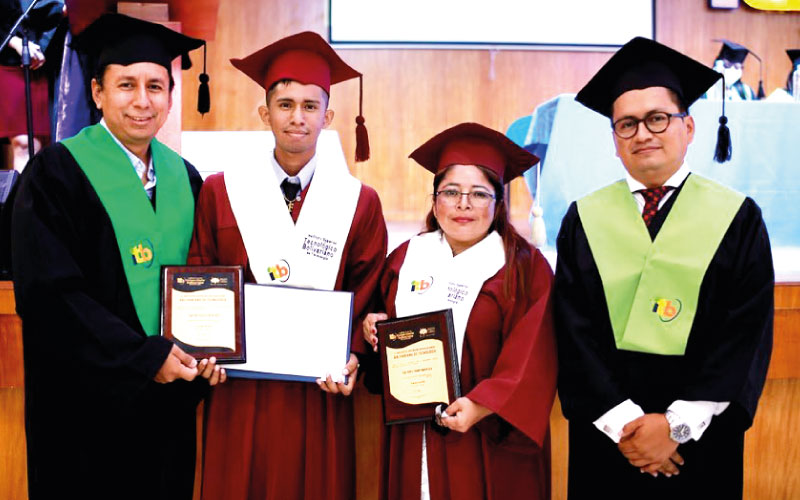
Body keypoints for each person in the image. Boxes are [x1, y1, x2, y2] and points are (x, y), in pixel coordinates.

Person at [7, 13, 225, 500]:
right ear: (98, 92)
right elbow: (50, 297)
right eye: (126, 84)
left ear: (171, 97)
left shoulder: (187, 180)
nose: (142, 101)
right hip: (83, 412)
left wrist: (208, 355)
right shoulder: (54, 176)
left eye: (155, 86)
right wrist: (143, 357)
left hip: (166, 408)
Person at [553, 37, 773, 499]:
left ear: (688, 127)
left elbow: (745, 331)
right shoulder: (584, 218)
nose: (643, 133)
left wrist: (675, 426)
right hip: (609, 440)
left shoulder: (737, 216)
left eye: (658, 118)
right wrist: (626, 426)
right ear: (614, 140)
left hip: (699, 440)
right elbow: (574, 333)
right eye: (626, 124)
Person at [188, 31, 388, 500]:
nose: (297, 117)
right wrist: (205, 350)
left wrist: (354, 354)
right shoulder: (221, 191)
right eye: (284, 104)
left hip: (317, 390)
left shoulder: (359, 202)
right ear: (265, 113)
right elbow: (201, 273)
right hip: (238, 388)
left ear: (328, 115)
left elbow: (371, 292)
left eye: (310, 105)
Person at [362, 122, 558, 500]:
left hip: (486, 439)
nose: (463, 204)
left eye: (479, 194)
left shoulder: (525, 268)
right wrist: (374, 329)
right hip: (413, 433)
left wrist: (481, 405)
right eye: (450, 192)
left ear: (498, 203)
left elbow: (534, 356)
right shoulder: (405, 259)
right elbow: (379, 328)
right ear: (435, 200)